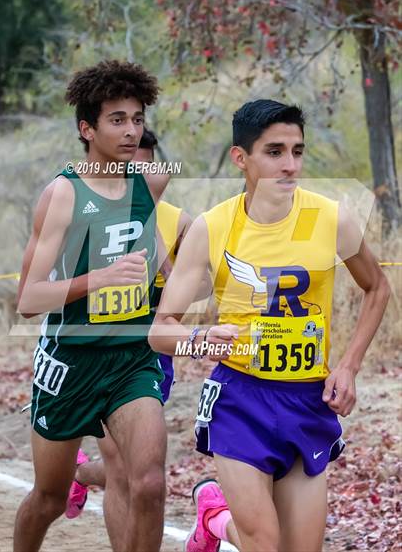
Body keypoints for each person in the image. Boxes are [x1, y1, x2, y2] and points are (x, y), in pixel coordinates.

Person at [149, 99, 390, 552]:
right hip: (241, 399)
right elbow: (161, 329)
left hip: (307, 400)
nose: (290, 165)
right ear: (241, 158)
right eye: (275, 152)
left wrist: (349, 366)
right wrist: (200, 341)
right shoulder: (211, 226)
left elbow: (377, 288)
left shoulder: (330, 217)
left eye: (297, 151)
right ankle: (221, 520)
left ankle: (214, 519)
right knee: (264, 542)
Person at [14, 60, 167, 552]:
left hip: (131, 358)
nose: (131, 130)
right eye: (117, 120)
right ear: (87, 128)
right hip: (71, 361)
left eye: (137, 118)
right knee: (49, 497)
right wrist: (96, 280)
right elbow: (28, 300)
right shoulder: (62, 194)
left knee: (148, 483)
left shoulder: (151, 182)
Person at [65, 130, 193, 552]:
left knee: (140, 473)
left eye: (142, 167)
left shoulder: (179, 221)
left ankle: (80, 474)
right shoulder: (88, 211)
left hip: (154, 352)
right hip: (105, 351)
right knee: (122, 467)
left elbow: (186, 289)